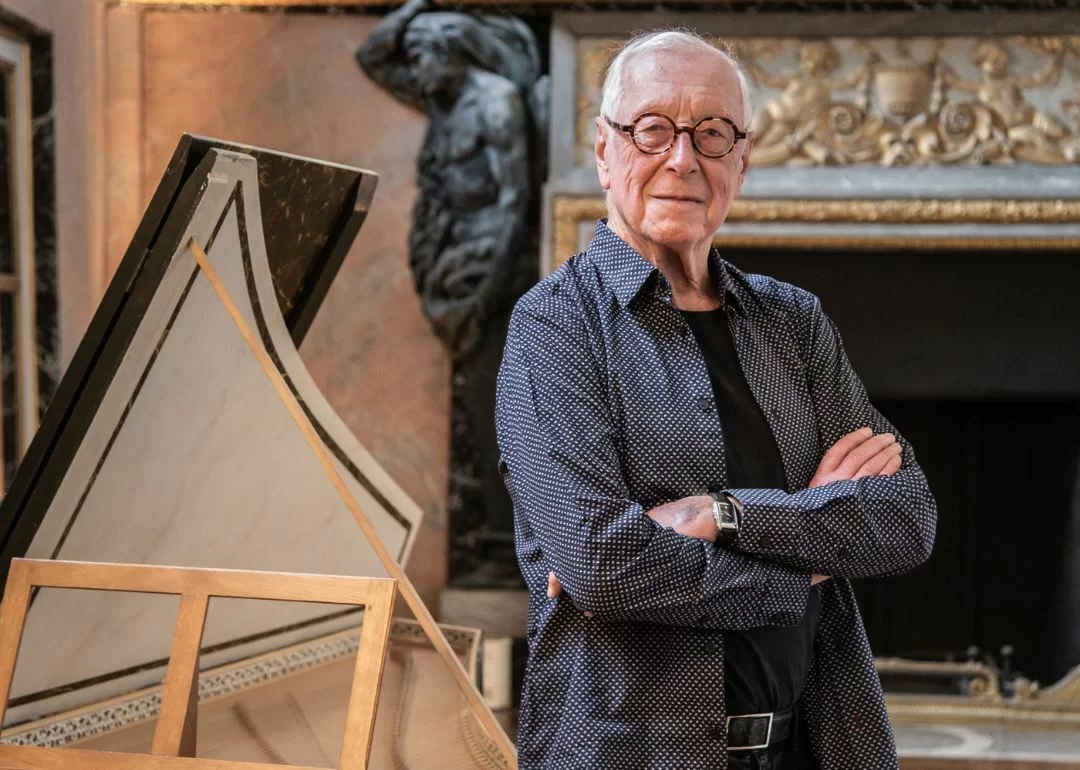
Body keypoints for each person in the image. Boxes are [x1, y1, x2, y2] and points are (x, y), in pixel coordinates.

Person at [495, 30, 937, 770]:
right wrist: (808, 560)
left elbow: (906, 516)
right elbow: (600, 562)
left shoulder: (792, 322)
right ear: (603, 150)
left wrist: (719, 516)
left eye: (712, 133)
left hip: (810, 744)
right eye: (651, 129)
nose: (682, 158)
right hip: (627, 755)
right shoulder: (555, 325)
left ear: (742, 159)